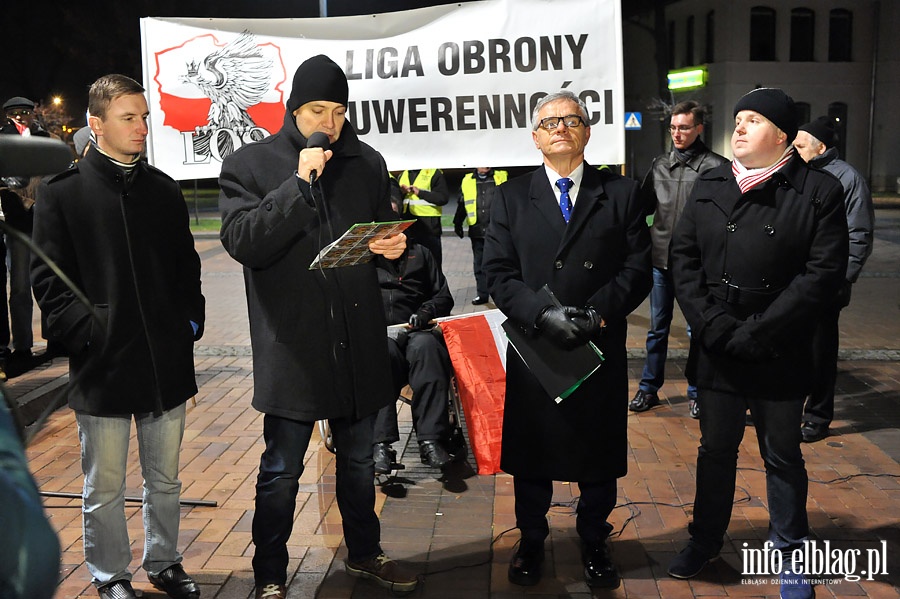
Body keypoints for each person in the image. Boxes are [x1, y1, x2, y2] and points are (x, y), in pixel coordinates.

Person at [218, 54, 417, 599]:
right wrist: (297, 185)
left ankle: (364, 553)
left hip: (356, 344)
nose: (328, 122)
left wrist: (393, 249)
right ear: (293, 109)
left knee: (357, 462)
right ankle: (270, 575)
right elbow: (243, 242)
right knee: (281, 471)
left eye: (338, 110)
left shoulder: (368, 163)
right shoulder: (252, 165)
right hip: (293, 348)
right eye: (316, 110)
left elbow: (385, 239)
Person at [668, 88, 848, 599]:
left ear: (783, 135)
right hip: (719, 345)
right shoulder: (711, 182)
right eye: (738, 119)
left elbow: (821, 275)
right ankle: (704, 541)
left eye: (753, 120)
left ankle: (791, 552)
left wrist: (762, 330)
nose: (740, 128)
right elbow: (684, 261)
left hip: (780, 347)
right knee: (715, 451)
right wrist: (714, 325)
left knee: (782, 453)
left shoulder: (818, 190)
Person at [31, 74, 206, 599]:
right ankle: (110, 575)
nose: (142, 127)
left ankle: (165, 562)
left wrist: (189, 323)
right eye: (129, 117)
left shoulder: (162, 189)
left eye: (146, 116)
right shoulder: (62, 195)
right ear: (96, 123)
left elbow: (187, 268)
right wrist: (89, 333)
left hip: (164, 362)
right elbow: (48, 281)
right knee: (103, 486)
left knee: (167, 480)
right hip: (102, 364)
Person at [483, 90, 652, 589]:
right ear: (535, 137)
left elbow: (637, 268)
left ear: (587, 130)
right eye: (549, 121)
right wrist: (541, 314)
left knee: (596, 453)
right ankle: (531, 539)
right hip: (536, 348)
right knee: (532, 453)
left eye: (571, 120)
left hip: (596, 347)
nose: (560, 127)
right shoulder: (511, 196)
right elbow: (497, 272)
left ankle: (595, 540)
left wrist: (597, 315)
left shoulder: (620, 192)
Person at [630, 101, 728, 418]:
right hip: (660, 262)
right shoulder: (660, 165)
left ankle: (697, 392)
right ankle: (648, 389)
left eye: (684, 127)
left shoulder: (716, 167)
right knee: (657, 329)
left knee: (696, 331)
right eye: (673, 127)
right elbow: (640, 209)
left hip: (697, 267)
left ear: (699, 128)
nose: (677, 133)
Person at [793, 116, 875, 443]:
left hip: (827, 283)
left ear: (820, 147)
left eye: (800, 145)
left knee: (820, 353)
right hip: (796, 280)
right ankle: (785, 407)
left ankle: (817, 417)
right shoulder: (799, 173)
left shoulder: (848, 179)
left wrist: (842, 279)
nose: (794, 151)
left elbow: (859, 234)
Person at [372, 231, 455, 472]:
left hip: (416, 331)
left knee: (427, 347)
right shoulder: (363, 258)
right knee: (380, 353)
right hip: (378, 337)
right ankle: (380, 445)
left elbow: (443, 296)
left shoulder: (420, 254)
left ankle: (430, 440)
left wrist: (427, 312)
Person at [0, 96, 49, 378]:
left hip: (45, 220)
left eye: (26, 112)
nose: (22, 116)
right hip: (18, 222)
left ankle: (56, 338)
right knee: (19, 285)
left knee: (48, 281)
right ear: (8, 115)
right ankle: (23, 345)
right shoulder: (3, 140)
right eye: (16, 113)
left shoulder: (44, 137)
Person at [453, 167, 508, 305]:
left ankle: (502, 294)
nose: (485, 165)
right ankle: (482, 294)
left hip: (496, 230)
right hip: (477, 230)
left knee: (500, 263)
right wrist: (457, 223)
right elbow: (462, 203)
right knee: (479, 264)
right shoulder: (467, 180)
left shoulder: (501, 176)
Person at [397, 167, 450, 266]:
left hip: (429, 225)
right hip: (409, 224)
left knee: (432, 262)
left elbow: (443, 198)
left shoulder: (434, 173)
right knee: (411, 262)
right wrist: (401, 192)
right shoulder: (403, 174)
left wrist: (420, 193)